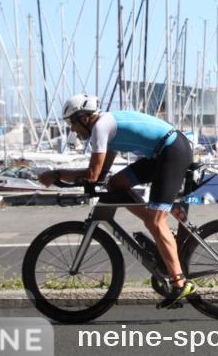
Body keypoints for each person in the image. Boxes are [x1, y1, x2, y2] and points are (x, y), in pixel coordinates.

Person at [38, 94, 196, 309]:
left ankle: (179, 284)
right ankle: (161, 233)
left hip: (172, 151)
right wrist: (80, 179)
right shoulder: (105, 128)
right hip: (160, 154)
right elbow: (101, 174)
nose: (72, 130)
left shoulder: (100, 127)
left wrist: (56, 174)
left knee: (156, 222)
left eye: (71, 123)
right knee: (116, 185)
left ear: (83, 118)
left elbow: (92, 174)